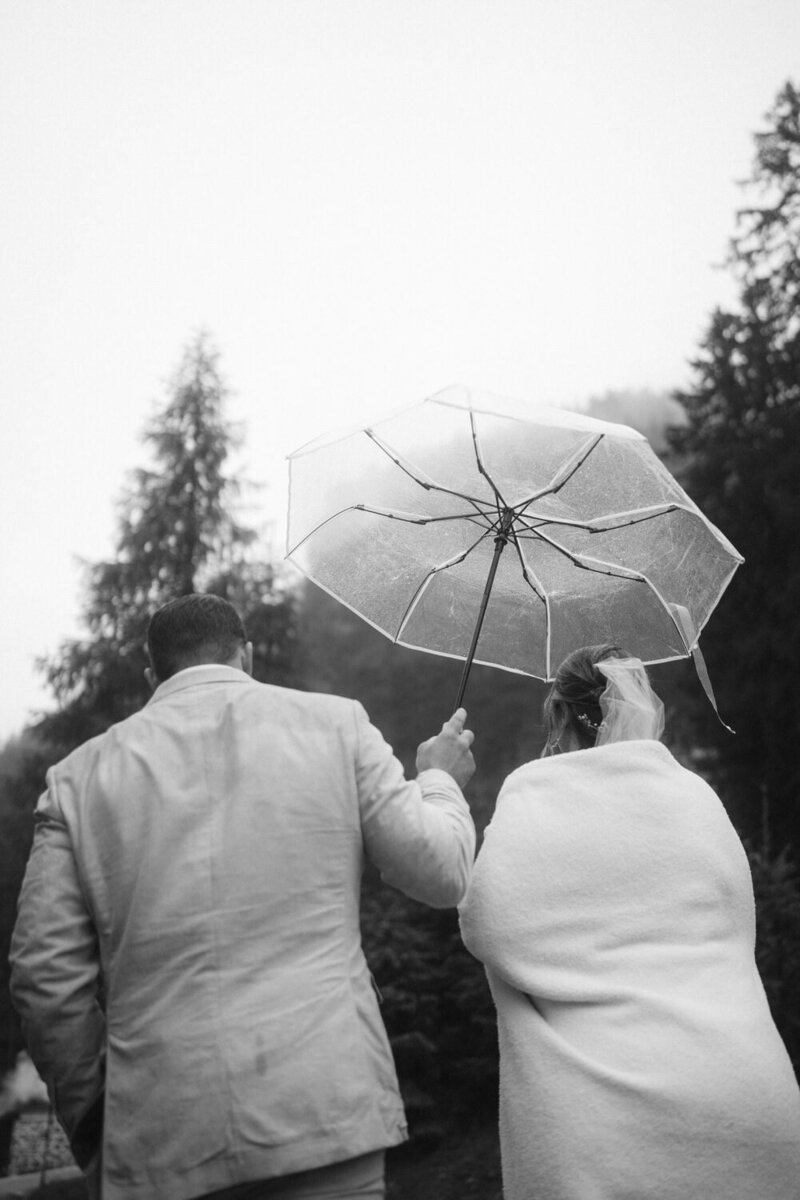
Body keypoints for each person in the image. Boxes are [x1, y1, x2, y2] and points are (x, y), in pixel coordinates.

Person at [10, 593, 476, 1200]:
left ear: (154, 676)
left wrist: (97, 1119)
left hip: (159, 1137)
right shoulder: (338, 726)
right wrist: (438, 779)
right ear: (248, 657)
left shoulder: (75, 781)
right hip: (324, 1112)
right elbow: (441, 872)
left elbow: (42, 977)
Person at [459, 643, 800, 1200]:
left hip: (610, 1129)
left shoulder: (531, 792)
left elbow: (487, 926)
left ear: (562, 716)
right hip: (750, 1100)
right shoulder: (695, 794)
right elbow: (739, 928)